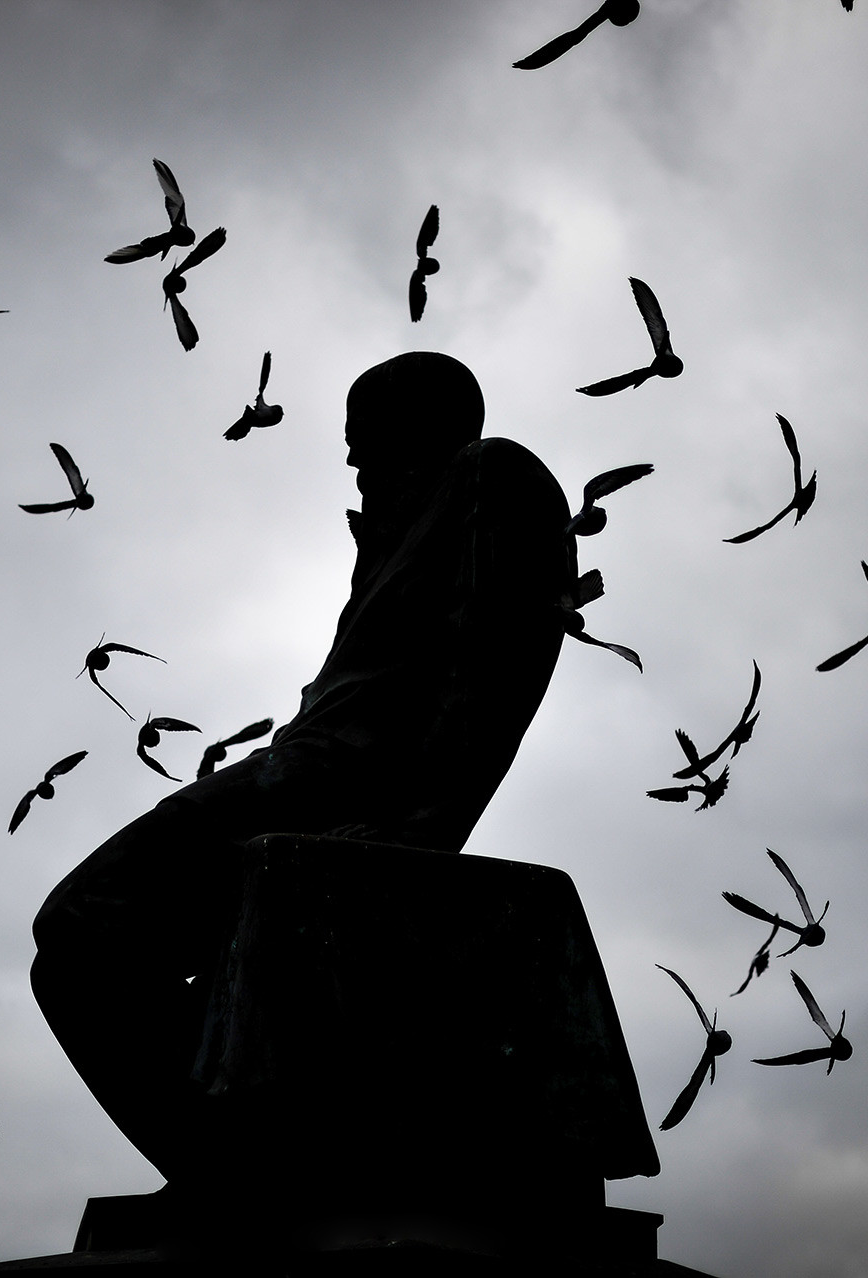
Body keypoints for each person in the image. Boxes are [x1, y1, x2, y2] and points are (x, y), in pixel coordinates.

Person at [31, 351, 576, 1185]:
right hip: (301, 772)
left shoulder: (489, 475)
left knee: (80, 926)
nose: (352, 460)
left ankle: (236, 1169)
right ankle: (243, 1159)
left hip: (332, 782)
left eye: (367, 439)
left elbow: (495, 661)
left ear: (423, 429)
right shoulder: (393, 533)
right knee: (73, 950)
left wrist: (424, 826)